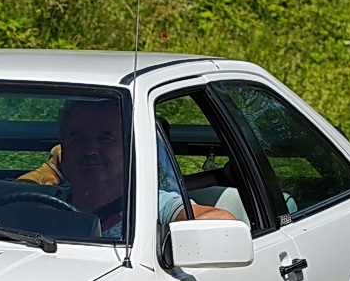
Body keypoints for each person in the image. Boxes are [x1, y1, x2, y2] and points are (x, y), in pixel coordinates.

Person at [17, 100, 232, 235]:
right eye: (78, 139)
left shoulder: (153, 206)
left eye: (105, 138)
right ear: (63, 149)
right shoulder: (45, 206)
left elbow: (222, 222)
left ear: (130, 149)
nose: (90, 149)